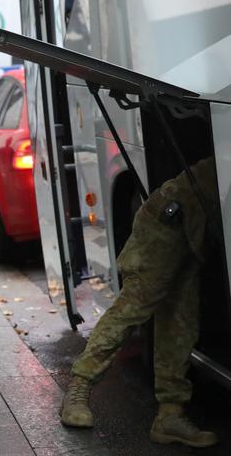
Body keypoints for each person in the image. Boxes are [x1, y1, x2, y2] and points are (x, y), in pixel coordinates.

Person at [61, 157, 219, 449]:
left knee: (180, 323)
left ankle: (170, 416)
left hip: (191, 231)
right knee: (132, 310)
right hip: (167, 222)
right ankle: (78, 391)